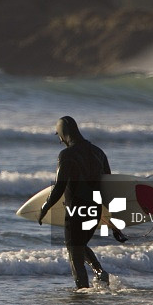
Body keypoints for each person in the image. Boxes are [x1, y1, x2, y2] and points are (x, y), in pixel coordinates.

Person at [38, 116, 112, 289]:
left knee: (74, 254)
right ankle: (100, 272)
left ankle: (82, 293)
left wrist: (45, 206)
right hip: (94, 209)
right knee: (79, 245)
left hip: (76, 211)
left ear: (63, 133)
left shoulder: (66, 155)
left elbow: (60, 186)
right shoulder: (98, 152)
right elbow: (108, 183)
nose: (60, 140)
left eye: (59, 135)